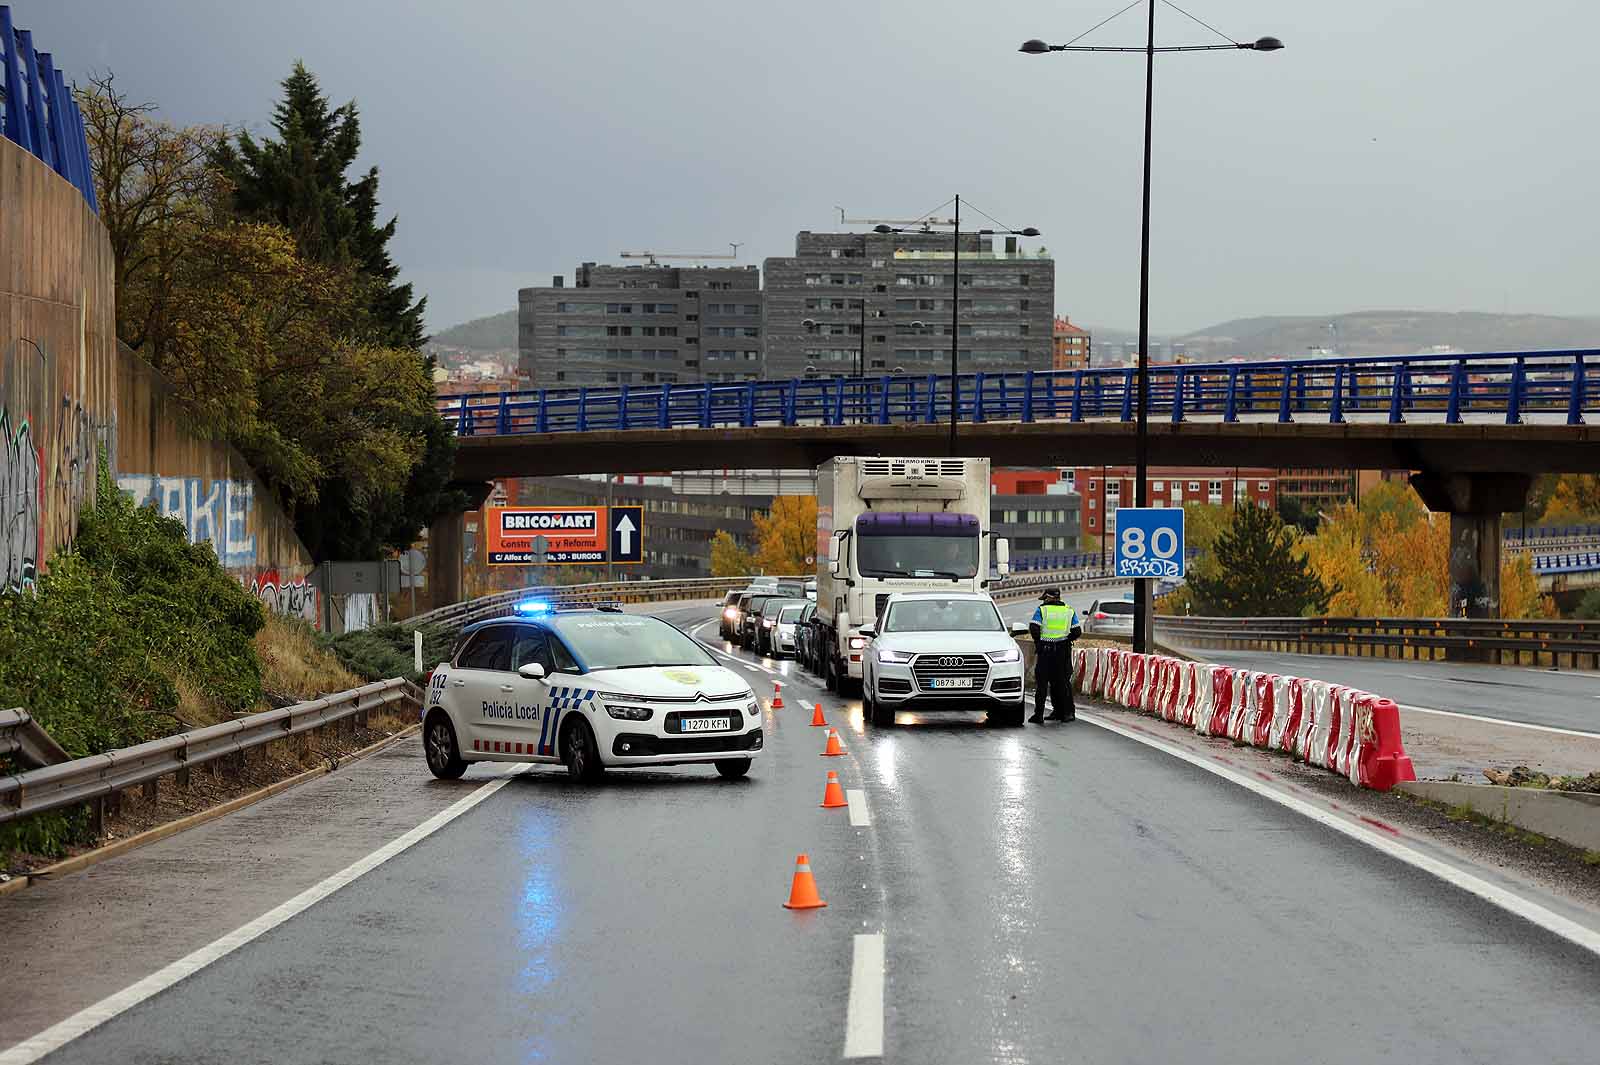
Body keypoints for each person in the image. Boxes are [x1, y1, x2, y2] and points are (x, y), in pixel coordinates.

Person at [1028, 588, 1081, 723]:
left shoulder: (1042, 610)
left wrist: (1039, 642)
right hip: (1063, 651)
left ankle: (1038, 715)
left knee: (1042, 684)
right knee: (1062, 682)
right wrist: (1066, 639)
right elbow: (1077, 631)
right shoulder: (1069, 610)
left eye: (1044, 598)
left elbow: (1034, 627)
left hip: (1045, 650)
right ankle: (1066, 713)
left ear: (1047, 597)